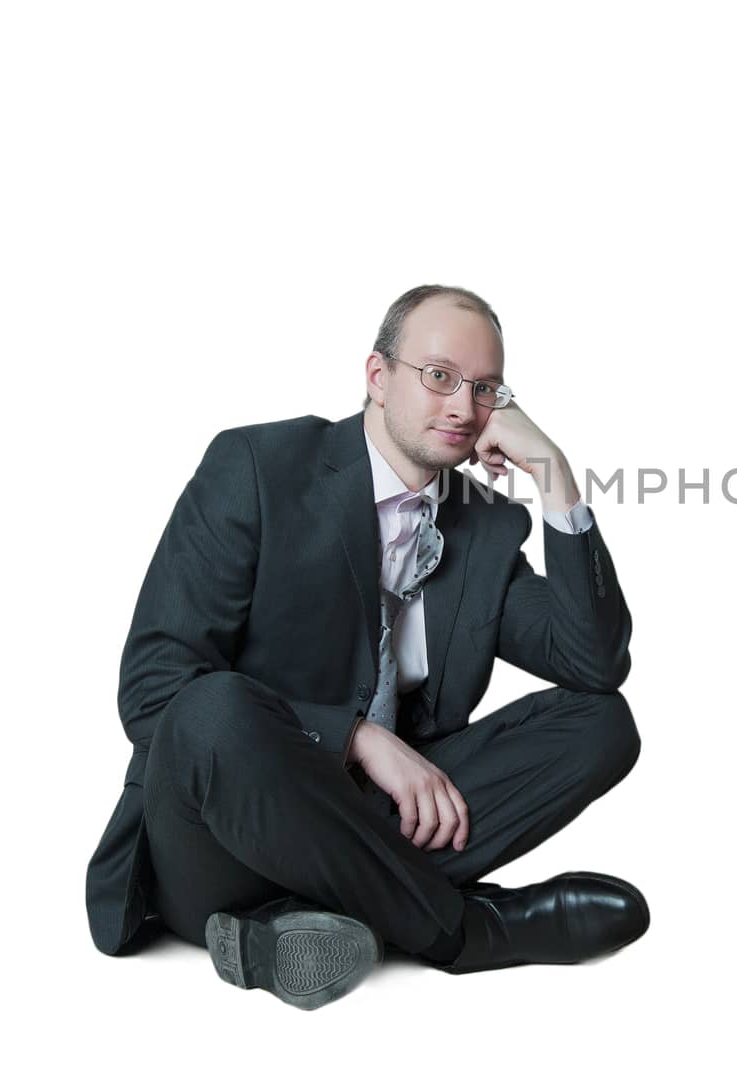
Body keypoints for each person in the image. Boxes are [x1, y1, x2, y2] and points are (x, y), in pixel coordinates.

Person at [84, 285, 647, 1009]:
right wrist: (353, 739)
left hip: (380, 823)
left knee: (603, 723)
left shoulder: (482, 527)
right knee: (210, 710)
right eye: (439, 375)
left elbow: (595, 664)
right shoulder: (259, 467)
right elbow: (154, 691)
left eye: (485, 389)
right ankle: (468, 929)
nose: (461, 405)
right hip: (223, 836)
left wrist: (558, 482)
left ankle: (292, 930)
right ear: (377, 377)